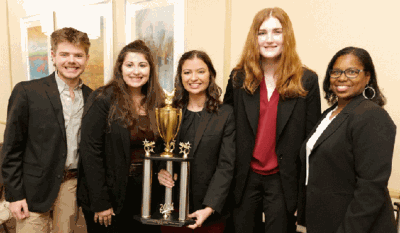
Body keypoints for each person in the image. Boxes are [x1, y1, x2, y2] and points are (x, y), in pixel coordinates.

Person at [223, 7, 321, 233]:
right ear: (254, 38)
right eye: (262, 33)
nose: (269, 39)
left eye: (277, 32)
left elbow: (312, 143)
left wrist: (304, 196)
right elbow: (226, 129)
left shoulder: (307, 80)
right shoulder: (238, 78)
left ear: (287, 36)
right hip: (245, 177)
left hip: (282, 179)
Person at [1, 27, 93, 232]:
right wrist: (14, 196)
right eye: (65, 54)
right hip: (33, 190)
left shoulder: (92, 98)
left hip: (70, 186)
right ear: (53, 56)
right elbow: (11, 150)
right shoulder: (27, 92)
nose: (72, 60)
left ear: (86, 58)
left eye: (78, 55)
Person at [296, 47, 397, 233]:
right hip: (325, 222)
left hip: (355, 226)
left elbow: (370, 190)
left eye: (352, 71)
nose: (342, 78)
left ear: (367, 77)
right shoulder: (329, 114)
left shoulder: (372, 116)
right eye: (336, 72)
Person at [77, 40, 164, 232]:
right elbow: (91, 153)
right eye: (130, 65)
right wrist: (100, 202)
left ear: (150, 69)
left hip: (146, 194)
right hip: (110, 193)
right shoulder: (102, 99)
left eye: (142, 65)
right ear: (120, 69)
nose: (136, 71)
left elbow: (162, 146)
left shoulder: (158, 101)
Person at [157, 50, 235, 233]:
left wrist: (209, 207)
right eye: (187, 72)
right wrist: (160, 171)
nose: (194, 78)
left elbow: (227, 165)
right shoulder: (169, 112)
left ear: (211, 75)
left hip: (210, 212)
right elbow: (161, 150)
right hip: (172, 209)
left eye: (201, 71)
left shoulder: (226, 114)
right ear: (180, 77)